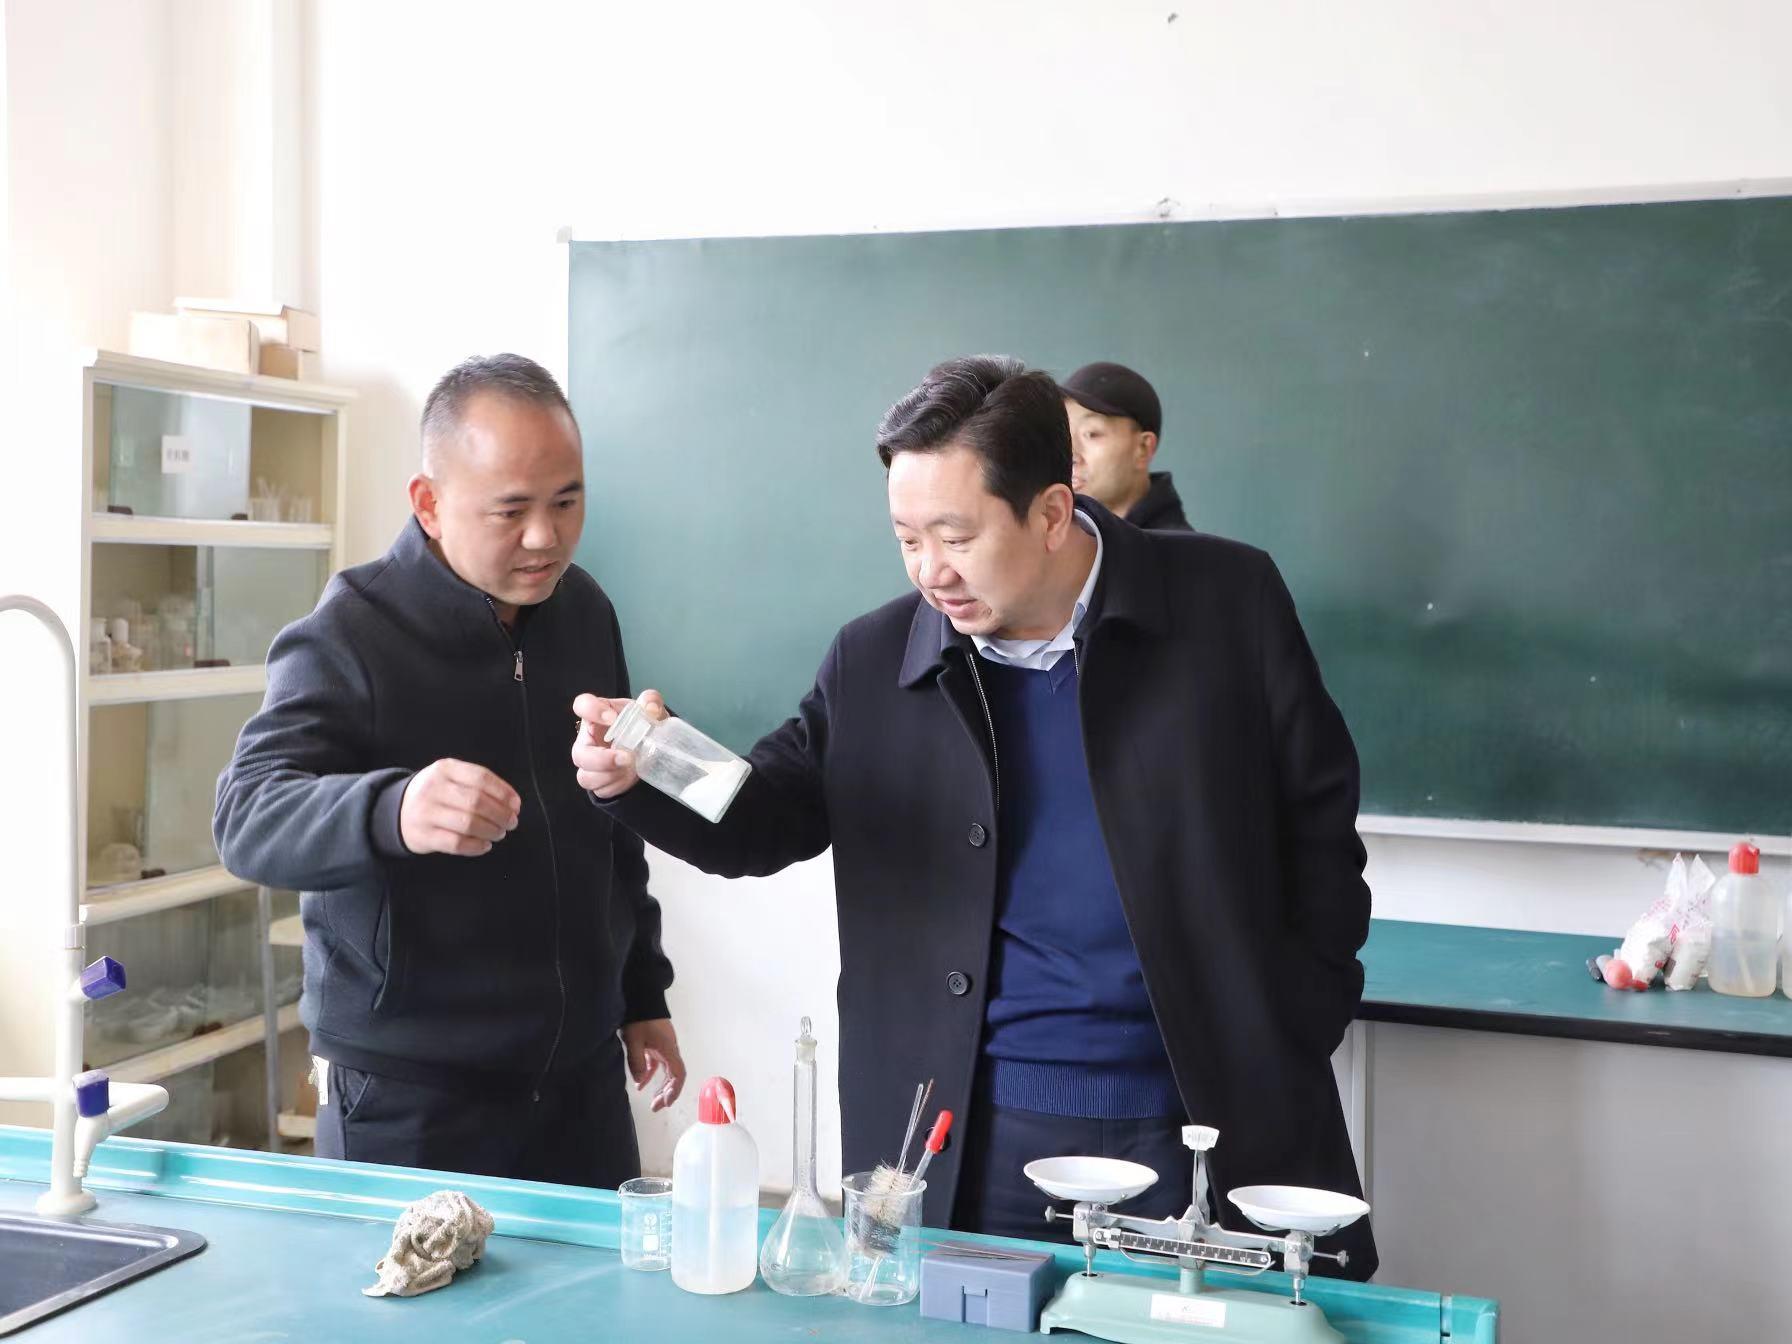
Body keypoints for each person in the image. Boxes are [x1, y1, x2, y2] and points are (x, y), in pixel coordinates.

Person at [571, 355, 1375, 1275]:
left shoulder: (1226, 603)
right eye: (906, 538)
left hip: (1199, 1119)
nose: (930, 572)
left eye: (955, 536)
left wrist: (1298, 1019)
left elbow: (1320, 823)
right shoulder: (875, 659)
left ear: (1052, 512)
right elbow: (767, 811)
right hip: (969, 1133)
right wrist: (648, 767)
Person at [214, 353, 684, 1187]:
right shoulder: (352, 632)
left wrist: (642, 993)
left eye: (566, 501)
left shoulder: (584, 609)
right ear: (428, 504)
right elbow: (246, 817)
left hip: (579, 1083)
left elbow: (611, 826)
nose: (545, 538)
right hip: (413, 1099)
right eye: (511, 510)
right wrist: (392, 810)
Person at [1060, 361, 1192, 530]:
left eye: (1092, 434)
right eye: (1063, 434)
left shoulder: (1175, 546)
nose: (1070, 455)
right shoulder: (1067, 537)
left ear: (1143, 449)